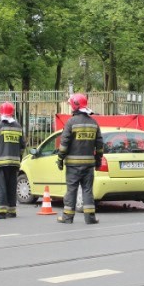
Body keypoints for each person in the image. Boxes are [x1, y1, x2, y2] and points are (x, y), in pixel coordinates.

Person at [56, 93, 104, 224]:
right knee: (88, 190)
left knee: (71, 190)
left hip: (73, 165)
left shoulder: (71, 122)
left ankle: (67, 217)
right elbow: (99, 145)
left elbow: (64, 144)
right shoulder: (94, 123)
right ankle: (90, 218)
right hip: (89, 164)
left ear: (75, 105)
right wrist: (98, 161)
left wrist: (60, 159)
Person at [0, 102, 25, 219]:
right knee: (11, 186)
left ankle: (0, 212)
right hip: (14, 163)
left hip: (1, 164)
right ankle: (11, 211)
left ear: (1, 112)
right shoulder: (18, 127)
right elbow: (22, 146)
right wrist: (19, 158)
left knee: (0, 186)